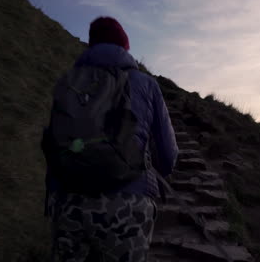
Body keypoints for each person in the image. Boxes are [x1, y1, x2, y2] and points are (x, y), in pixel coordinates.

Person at [43, 16, 178, 261]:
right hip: (128, 202)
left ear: (91, 45)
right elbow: (168, 155)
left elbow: (55, 141)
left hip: (69, 200)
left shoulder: (69, 81)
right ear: (125, 47)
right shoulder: (146, 84)